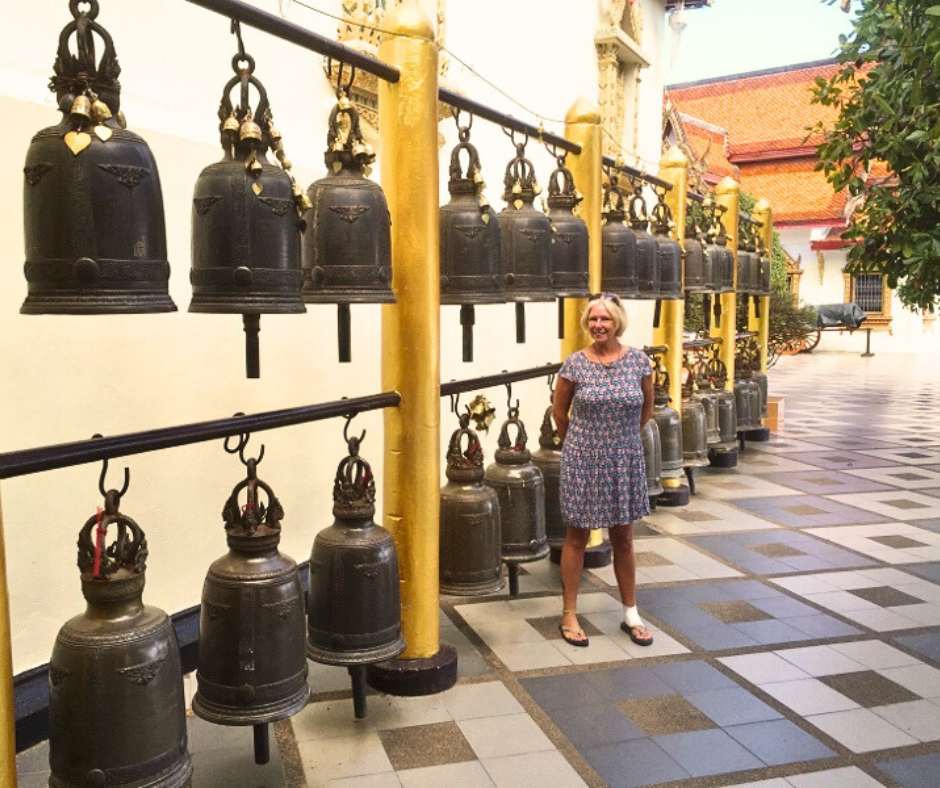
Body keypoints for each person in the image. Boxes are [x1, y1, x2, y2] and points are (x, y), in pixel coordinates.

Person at [552, 293, 654, 648]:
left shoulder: (639, 362)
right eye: (593, 319)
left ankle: (631, 612)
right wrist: (582, 444)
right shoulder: (575, 364)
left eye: (605, 320)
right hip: (583, 458)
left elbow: (646, 409)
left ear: (617, 323)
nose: (598, 325)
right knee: (577, 537)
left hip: (624, 457)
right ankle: (568, 613)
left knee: (623, 537)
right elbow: (559, 412)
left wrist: (620, 440)